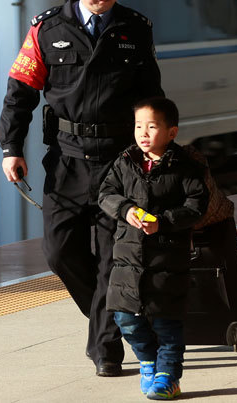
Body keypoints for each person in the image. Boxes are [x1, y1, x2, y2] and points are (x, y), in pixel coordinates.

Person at [0, 0, 164, 377]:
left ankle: (106, 350)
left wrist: (157, 146)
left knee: (112, 258)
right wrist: (11, 148)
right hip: (67, 161)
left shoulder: (135, 28)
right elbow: (20, 94)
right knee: (59, 252)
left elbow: (151, 96)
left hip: (118, 161)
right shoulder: (47, 28)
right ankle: (116, 316)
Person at [99, 97, 209, 400]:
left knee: (167, 323)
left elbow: (197, 206)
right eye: (138, 126)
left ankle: (168, 377)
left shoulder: (184, 167)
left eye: (152, 126)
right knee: (125, 319)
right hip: (128, 259)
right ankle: (147, 360)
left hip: (167, 260)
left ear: (171, 132)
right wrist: (125, 210)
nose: (143, 133)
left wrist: (163, 222)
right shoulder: (125, 161)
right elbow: (106, 193)